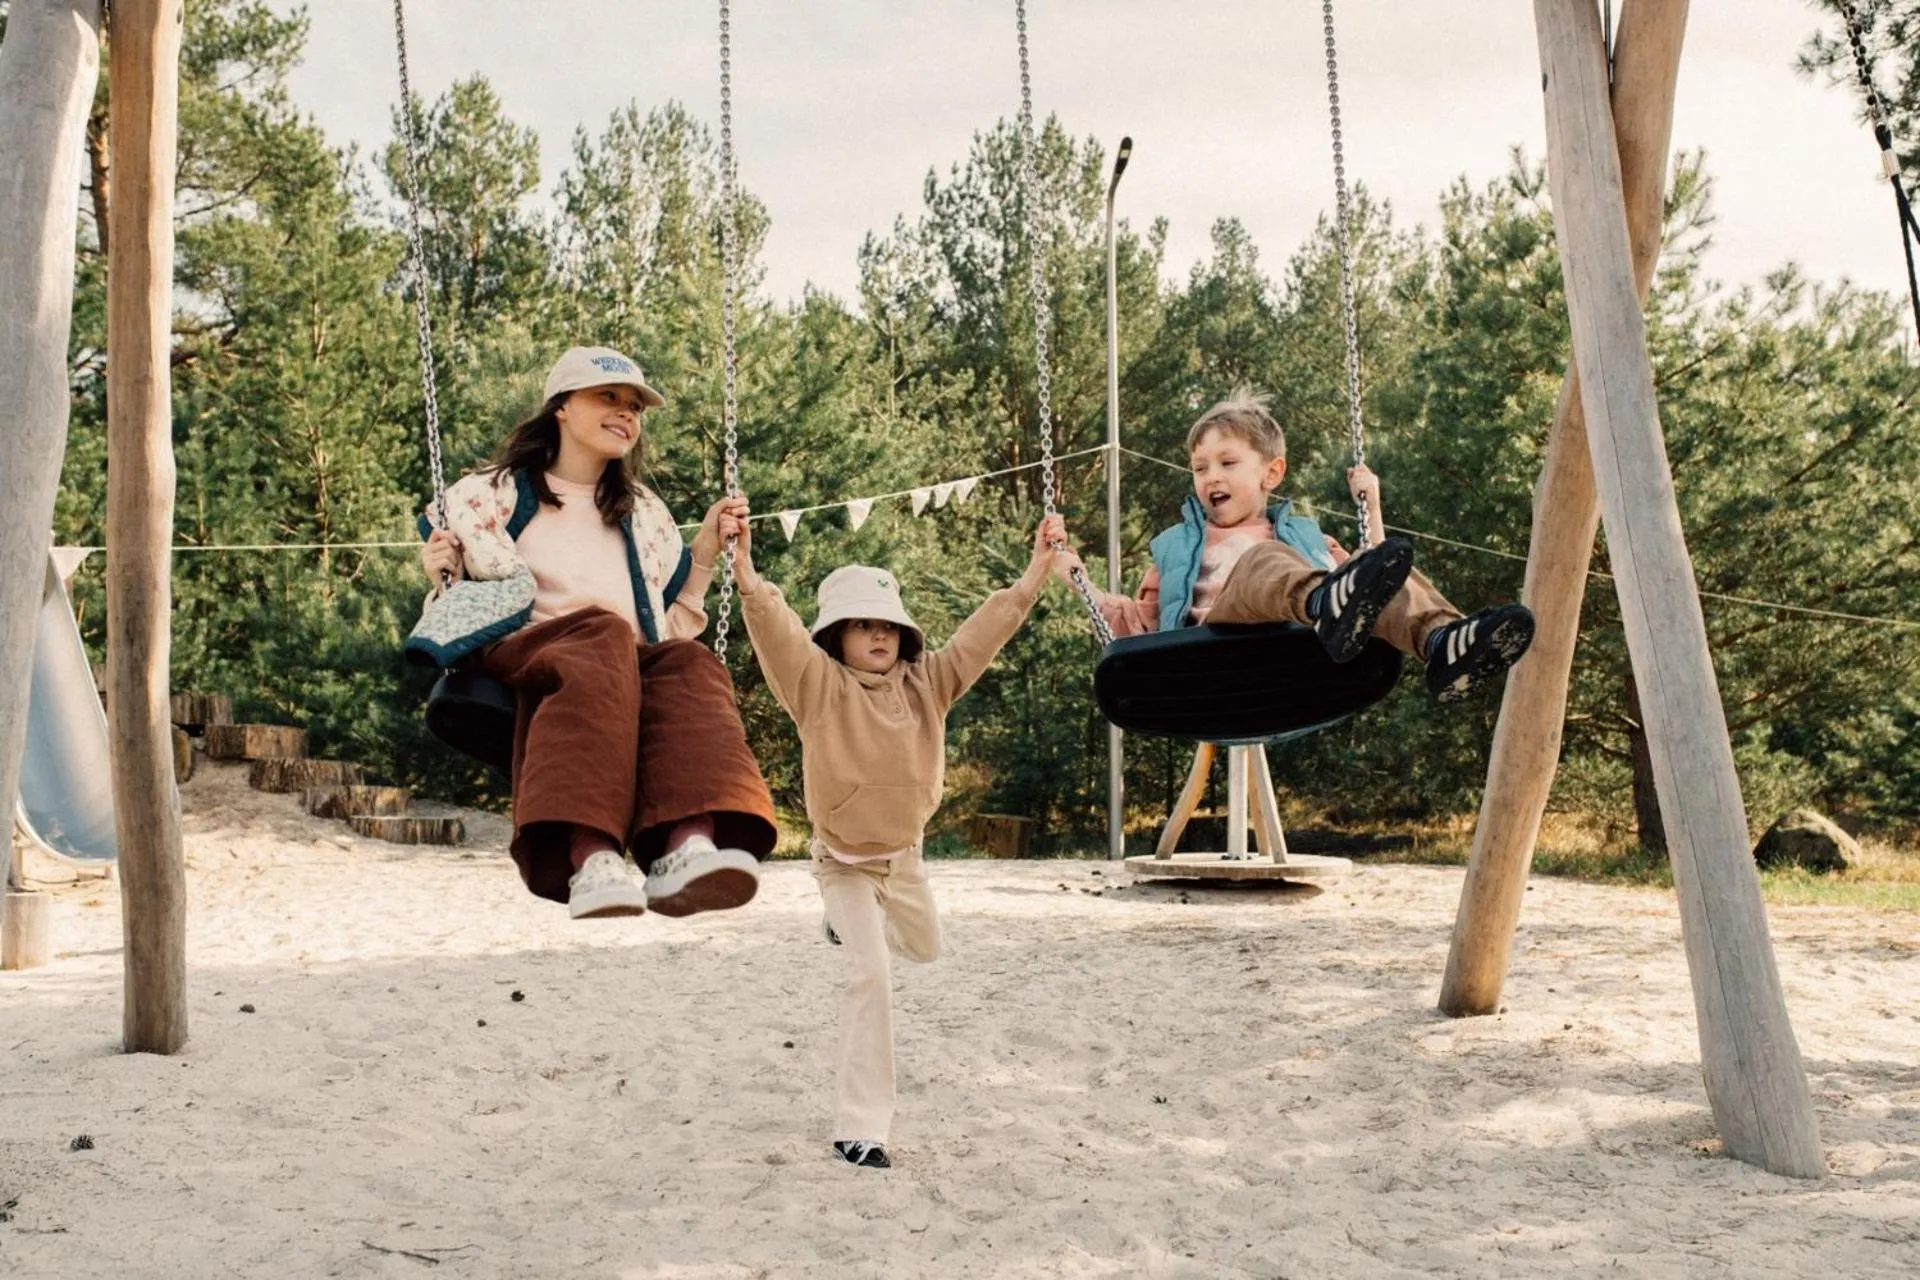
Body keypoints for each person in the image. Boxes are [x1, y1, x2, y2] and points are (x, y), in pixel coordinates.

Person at [734, 510, 1066, 1169]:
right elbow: (778, 632)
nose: (878, 633)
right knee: (872, 976)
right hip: (845, 865)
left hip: (905, 862)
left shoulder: (929, 685)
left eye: (887, 623)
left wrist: (1035, 575)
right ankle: (862, 1127)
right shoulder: (818, 686)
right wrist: (746, 576)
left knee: (927, 950)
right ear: (838, 636)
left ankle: (846, 927)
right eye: (862, 623)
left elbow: (983, 633)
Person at [416, 346, 777, 919]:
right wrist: (442, 567)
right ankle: (589, 854)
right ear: (561, 406)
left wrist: (706, 550)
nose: (625, 414)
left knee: (689, 663)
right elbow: (462, 580)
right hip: (528, 648)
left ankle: (684, 845)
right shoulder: (494, 493)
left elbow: (667, 627)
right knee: (603, 636)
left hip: (614, 659)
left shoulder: (642, 512)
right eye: (607, 397)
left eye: (634, 406)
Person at [1061, 388, 1534, 702]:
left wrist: (1371, 509)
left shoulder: (1311, 540)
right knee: (1263, 560)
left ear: (1271, 474)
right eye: (1201, 467)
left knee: (1380, 569)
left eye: (1227, 462)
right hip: (1210, 658)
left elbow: (1378, 581)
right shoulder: (1177, 551)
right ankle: (1324, 603)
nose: (1212, 477)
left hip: (1304, 658)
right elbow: (1136, 623)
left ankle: (1443, 643)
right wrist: (1074, 577)